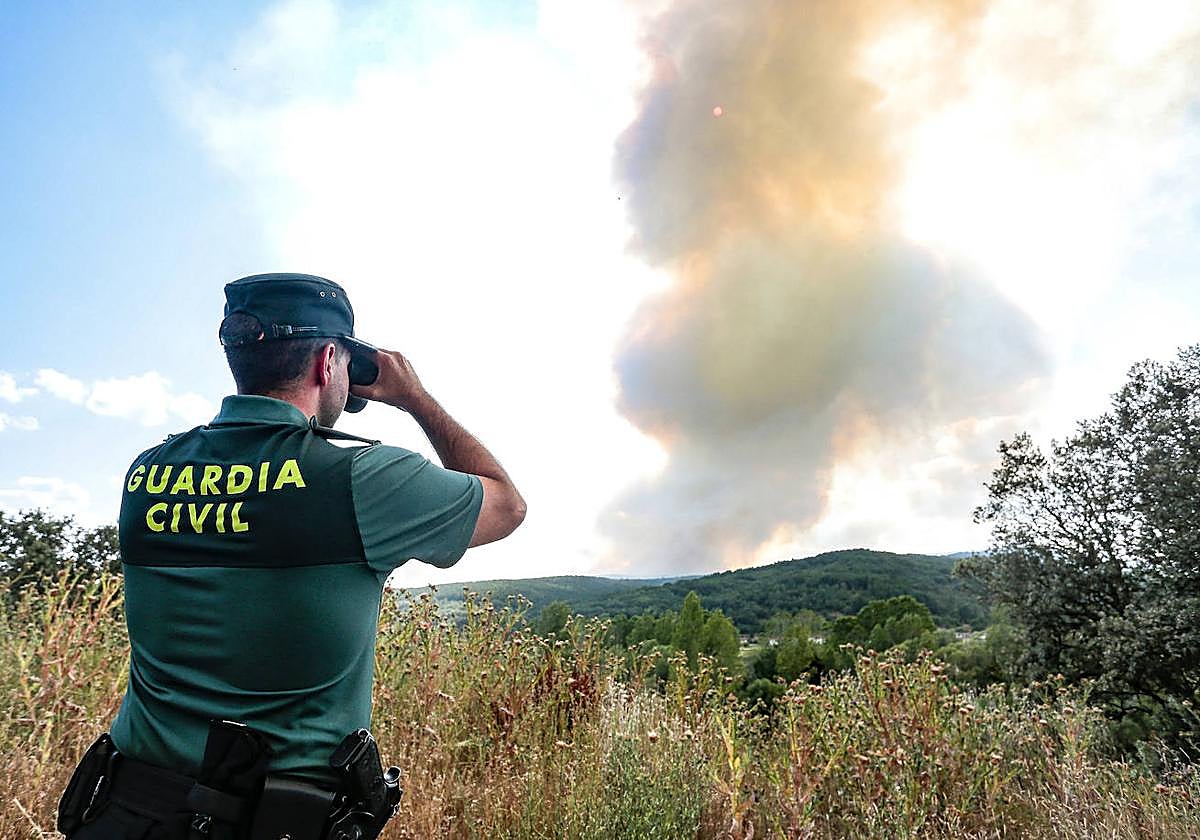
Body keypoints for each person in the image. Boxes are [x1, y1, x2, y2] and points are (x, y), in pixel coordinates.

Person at [57, 273, 526, 840]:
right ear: (329, 361)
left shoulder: (148, 471)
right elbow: (505, 505)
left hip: (126, 812)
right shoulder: (360, 476)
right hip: (271, 821)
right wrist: (414, 399)